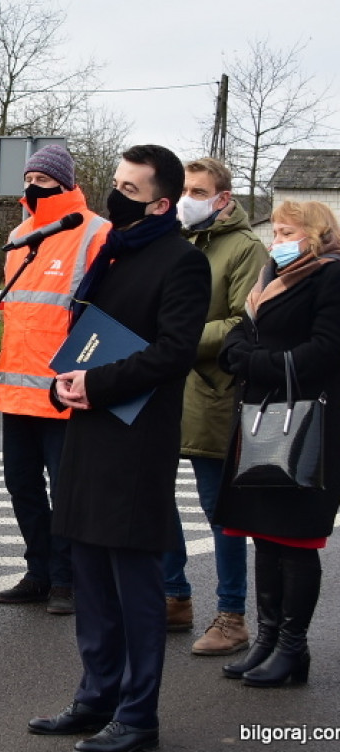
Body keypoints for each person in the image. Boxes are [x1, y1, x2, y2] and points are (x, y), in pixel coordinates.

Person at [28, 145, 210, 752]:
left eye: (129, 190)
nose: (115, 196)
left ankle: (138, 714)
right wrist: (65, 380)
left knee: (133, 586)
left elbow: (175, 351)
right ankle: (95, 696)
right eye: (115, 184)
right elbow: (87, 335)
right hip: (88, 432)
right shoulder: (111, 250)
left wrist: (97, 383)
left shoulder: (180, 262)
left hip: (136, 439)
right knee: (90, 578)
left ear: (161, 203)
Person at [214, 200, 340, 687]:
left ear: (315, 235)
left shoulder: (329, 277)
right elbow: (233, 343)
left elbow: (325, 351)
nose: (276, 240)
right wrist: (249, 356)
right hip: (260, 424)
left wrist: (256, 361)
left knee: (295, 541)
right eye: (276, 231)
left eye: (286, 231)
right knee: (264, 536)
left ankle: (293, 648)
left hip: (306, 425)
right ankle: (266, 641)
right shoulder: (267, 279)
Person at [0, 144, 110, 615]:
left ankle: (67, 578)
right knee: (21, 485)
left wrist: (82, 377)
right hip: (17, 390)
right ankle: (38, 571)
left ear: (65, 182)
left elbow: (101, 316)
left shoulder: (96, 233)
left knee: (67, 491)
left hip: (63, 390)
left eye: (44, 179)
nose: (33, 186)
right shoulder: (20, 234)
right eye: (30, 178)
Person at [163, 158, 267, 651]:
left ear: (223, 199)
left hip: (211, 389)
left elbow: (242, 323)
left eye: (199, 190)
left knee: (218, 508)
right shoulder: (175, 240)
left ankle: (231, 616)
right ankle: (173, 597)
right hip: (162, 386)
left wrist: (175, 339)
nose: (189, 198)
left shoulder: (247, 249)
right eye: (184, 188)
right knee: (155, 498)